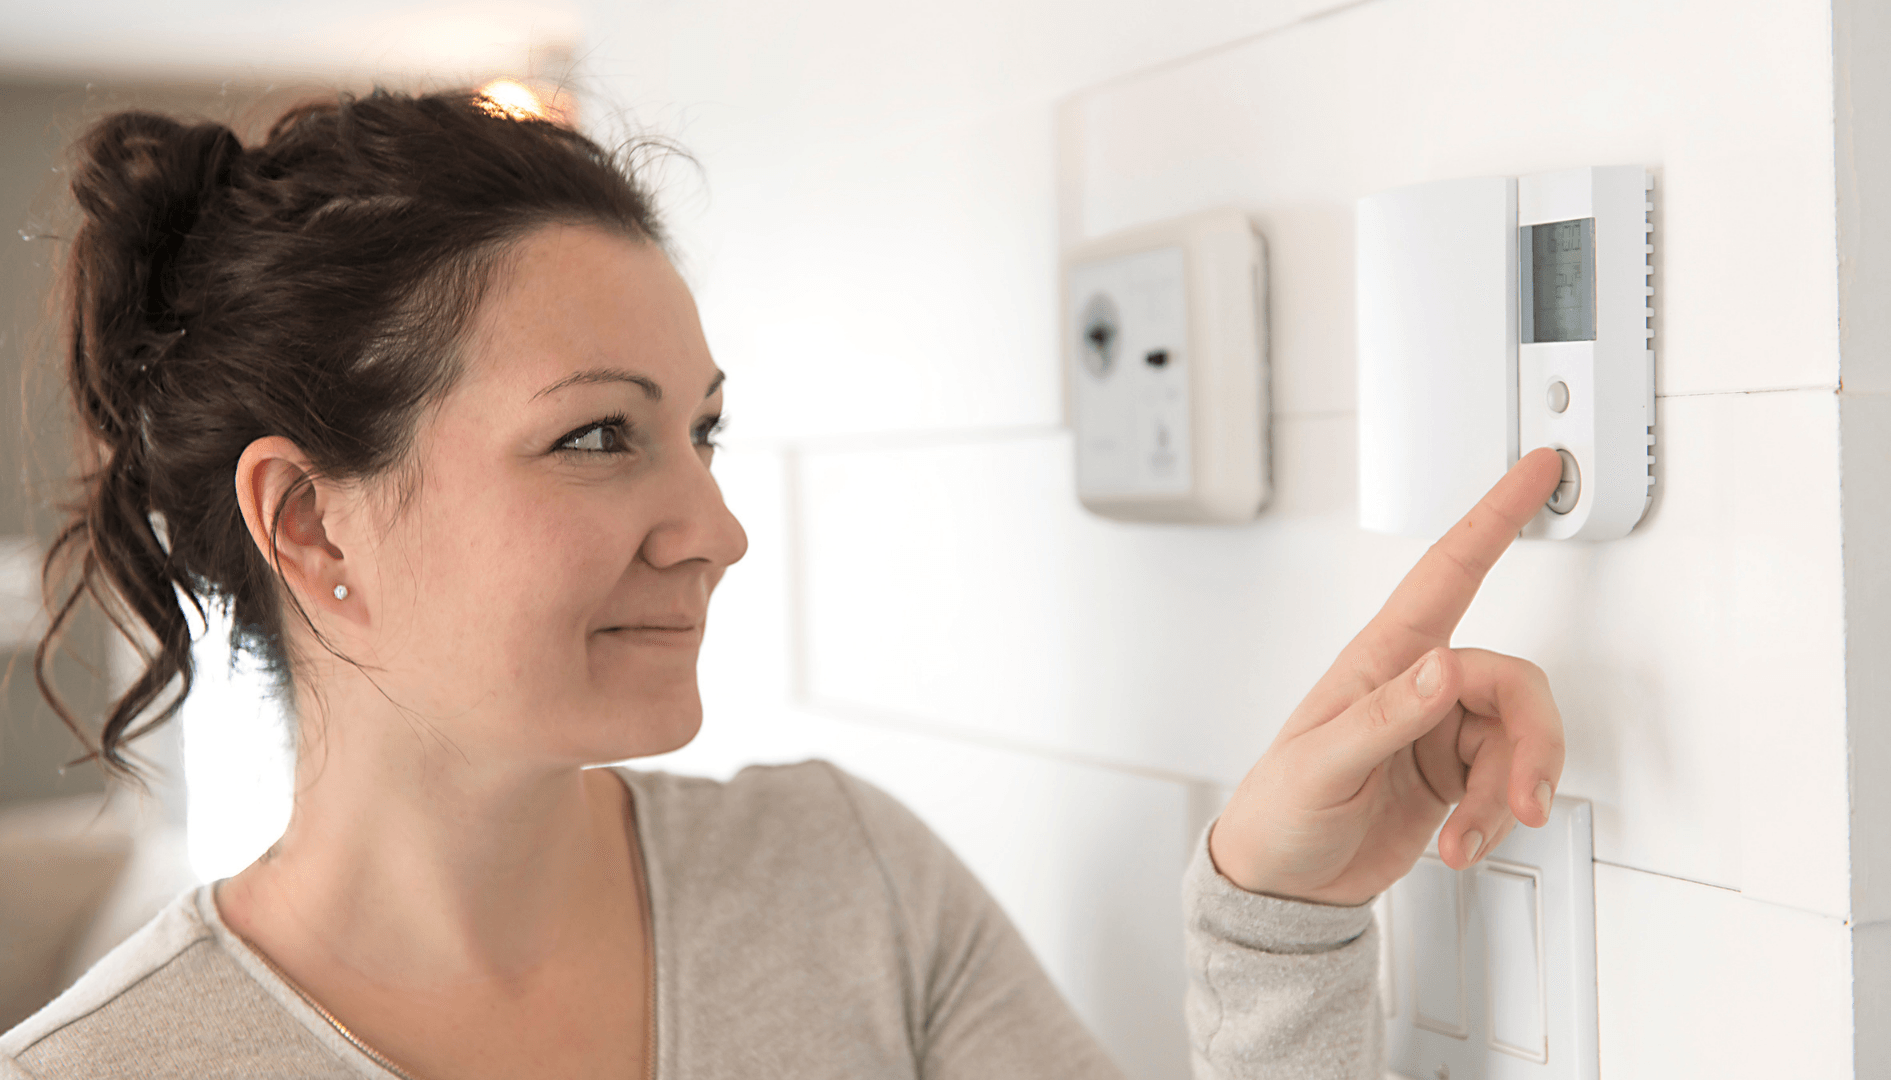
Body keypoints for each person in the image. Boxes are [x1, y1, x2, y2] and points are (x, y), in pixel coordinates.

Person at [0, 89, 1566, 1080]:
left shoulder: (844, 885)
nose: (717, 526)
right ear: (312, 525)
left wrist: (1277, 920)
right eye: (600, 434)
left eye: (705, 429)